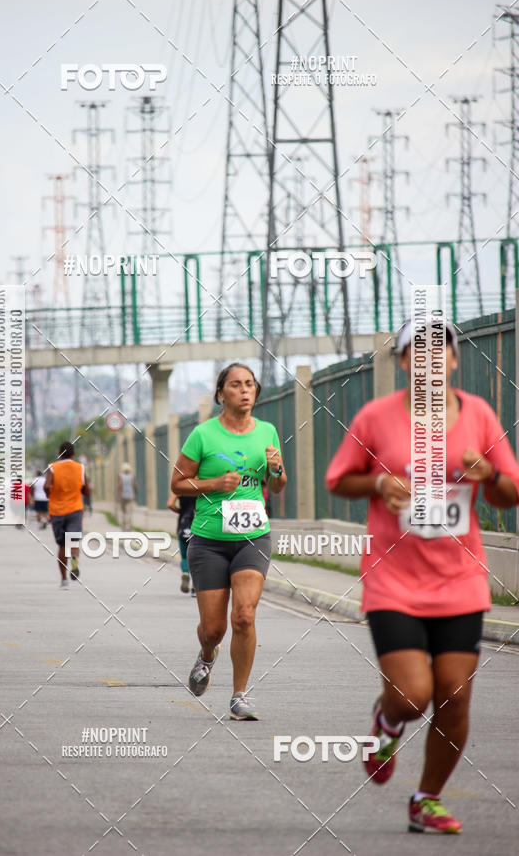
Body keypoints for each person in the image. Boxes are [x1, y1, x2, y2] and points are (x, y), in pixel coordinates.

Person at [325, 319, 519, 834]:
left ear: (455, 361)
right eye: (420, 353)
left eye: (443, 353)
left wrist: (491, 476)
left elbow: (510, 491)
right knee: (412, 695)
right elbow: (338, 479)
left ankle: (427, 799)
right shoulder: (376, 418)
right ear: (405, 362)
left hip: (459, 579)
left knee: (454, 695)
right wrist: (379, 483)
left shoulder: (478, 415)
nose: (431, 362)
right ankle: (387, 723)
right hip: (393, 578)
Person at [171, 362, 287, 720]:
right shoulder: (203, 435)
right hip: (209, 540)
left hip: (253, 537)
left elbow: (278, 486)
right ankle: (207, 655)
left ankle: (239, 695)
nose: (244, 390)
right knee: (213, 629)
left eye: (249, 384)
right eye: (235, 385)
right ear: (221, 393)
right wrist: (212, 485)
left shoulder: (267, 431)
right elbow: (177, 484)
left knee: (244, 616)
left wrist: (278, 469)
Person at [44, 441, 90, 589]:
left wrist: (49, 494)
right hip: (75, 509)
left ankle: (64, 579)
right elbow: (87, 490)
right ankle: (75, 558)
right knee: (74, 540)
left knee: (62, 545)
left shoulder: (53, 468)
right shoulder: (80, 468)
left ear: (59, 453)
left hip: (57, 511)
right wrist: (80, 491)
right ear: (74, 454)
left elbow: (46, 486)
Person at [167, 490, 197, 595]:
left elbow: (170, 504)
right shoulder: (202, 486)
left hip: (184, 524)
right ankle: (195, 587)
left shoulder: (180, 487)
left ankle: (185, 572)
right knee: (198, 557)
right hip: (199, 525)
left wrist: (181, 511)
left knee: (184, 556)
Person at [117, 463, 136, 530]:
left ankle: (124, 525)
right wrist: (134, 495)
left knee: (123, 511)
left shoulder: (120, 476)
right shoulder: (132, 476)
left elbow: (119, 486)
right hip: (130, 496)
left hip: (123, 496)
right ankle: (128, 526)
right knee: (129, 512)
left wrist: (118, 496)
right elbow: (133, 486)